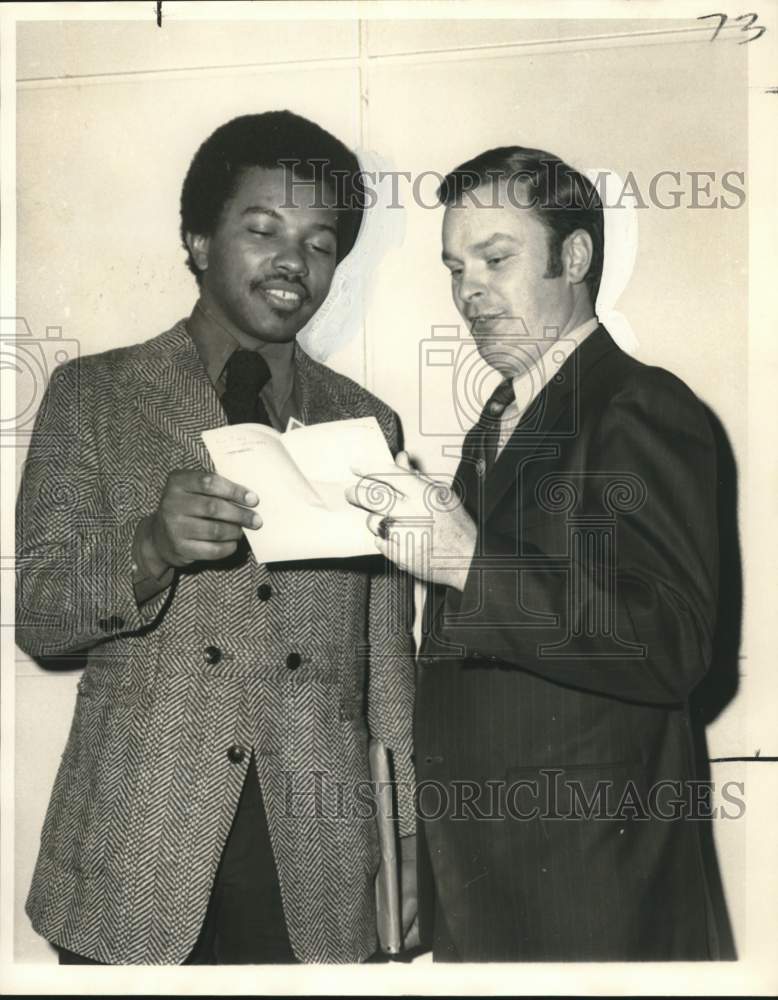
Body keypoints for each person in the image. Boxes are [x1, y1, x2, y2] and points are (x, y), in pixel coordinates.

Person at [16, 111, 416, 965]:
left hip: (317, 865)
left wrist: (410, 851)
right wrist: (148, 549)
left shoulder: (368, 422)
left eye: (319, 242)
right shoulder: (90, 395)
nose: (293, 263)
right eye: (262, 229)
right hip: (136, 856)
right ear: (197, 240)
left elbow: (389, 668)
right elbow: (40, 617)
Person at [347, 145, 727, 960]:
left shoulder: (640, 405)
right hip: (484, 884)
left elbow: (673, 644)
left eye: (494, 257)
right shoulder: (502, 418)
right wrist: (425, 852)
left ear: (575, 256)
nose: (467, 291)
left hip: (594, 896)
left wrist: (469, 566)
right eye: (455, 267)